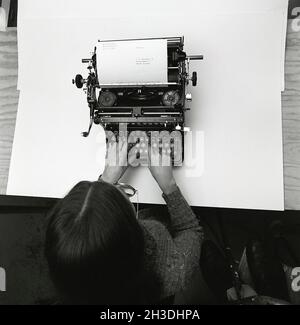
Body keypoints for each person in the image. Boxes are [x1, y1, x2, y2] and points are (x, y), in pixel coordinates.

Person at [45, 139, 204, 304]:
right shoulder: (174, 270)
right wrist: (169, 186)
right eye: (121, 194)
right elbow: (191, 229)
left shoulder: (72, 270)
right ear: (132, 234)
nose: (119, 188)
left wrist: (106, 180)